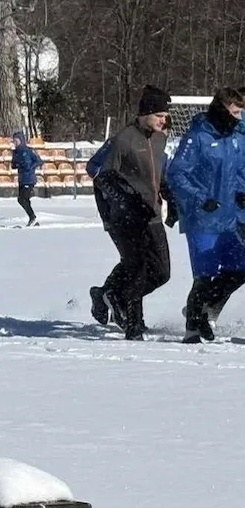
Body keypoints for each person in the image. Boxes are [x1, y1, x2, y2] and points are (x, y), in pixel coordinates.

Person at [89, 85, 172, 340]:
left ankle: (110, 294)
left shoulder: (160, 138)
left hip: (152, 214)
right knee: (137, 267)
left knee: (161, 272)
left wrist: (171, 196)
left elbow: (159, 173)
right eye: (159, 114)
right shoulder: (123, 140)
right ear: (145, 112)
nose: (164, 119)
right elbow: (100, 176)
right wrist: (124, 201)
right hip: (125, 217)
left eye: (165, 115)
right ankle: (134, 324)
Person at [166, 87, 245, 343]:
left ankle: (202, 310)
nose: (239, 118)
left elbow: (238, 172)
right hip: (202, 218)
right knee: (203, 275)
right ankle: (192, 329)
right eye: (235, 112)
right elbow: (177, 173)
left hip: (229, 217)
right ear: (222, 110)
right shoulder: (197, 136)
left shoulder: (235, 138)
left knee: (239, 268)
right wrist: (201, 199)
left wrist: (242, 193)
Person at [10, 131, 43, 226]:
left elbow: (39, 161)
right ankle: (33, 219)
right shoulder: (15, 152)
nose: (15, 143)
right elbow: (13, 165)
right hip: (21, 179)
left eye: (16, 141)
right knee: (23, 199)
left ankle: (32, 217)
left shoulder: (28, 151)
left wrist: (30, 167)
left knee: (22, 199)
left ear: (21, 140)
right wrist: (16, 164)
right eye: (14, 141)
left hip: (29, 178)